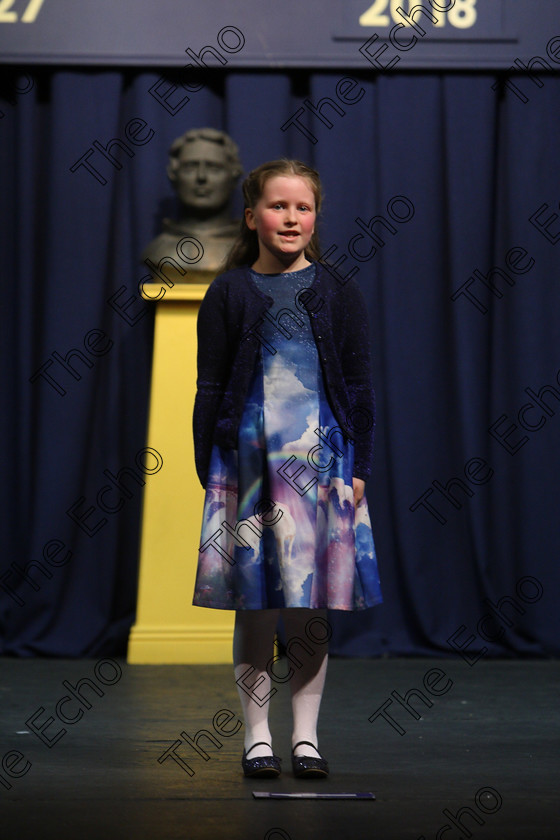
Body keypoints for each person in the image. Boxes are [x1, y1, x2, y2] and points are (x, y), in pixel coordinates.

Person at [192, 159, 382, 779]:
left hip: (322, 464)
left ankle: (305, 737)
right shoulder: (229, 292)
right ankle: (256, 738)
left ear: (316, 216)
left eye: (302, 208)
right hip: (247, 464)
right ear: (252, 216)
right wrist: (209, 467)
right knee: (255, 605)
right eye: (277, 206)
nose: (290, 218)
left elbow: (357, 385)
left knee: (309, 606)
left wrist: (361, 466)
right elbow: (210, 384)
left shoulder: (337, 291)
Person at [141, 127, 243, 277]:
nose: (201, 177)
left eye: (214, 168)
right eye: (190, 168)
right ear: (173, 175)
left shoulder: (248, 252)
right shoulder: (158, 250)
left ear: (233, 176)